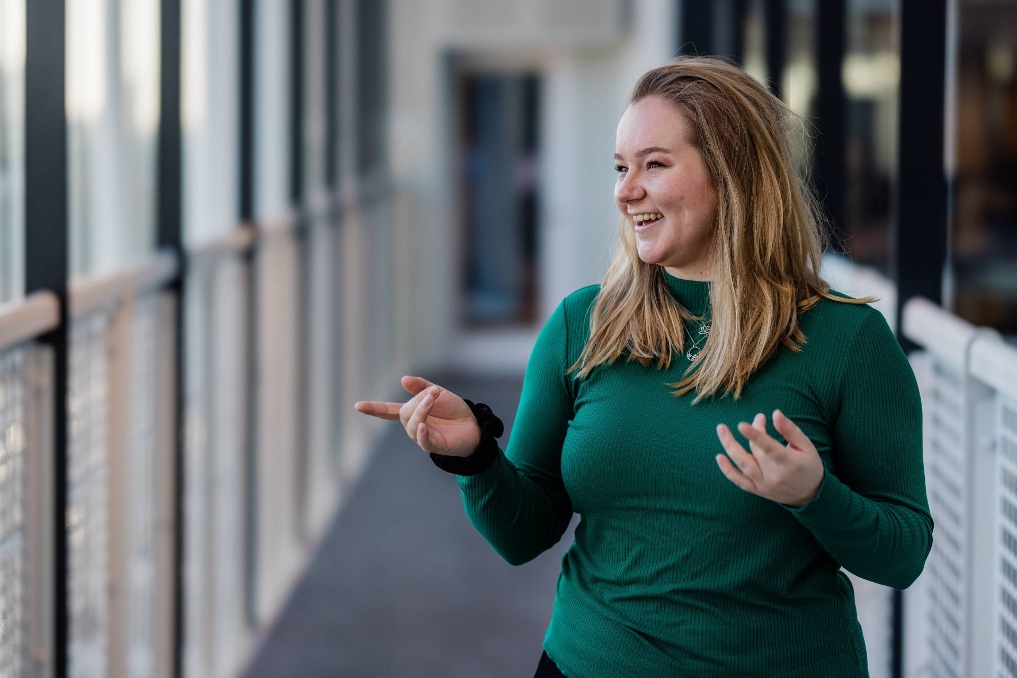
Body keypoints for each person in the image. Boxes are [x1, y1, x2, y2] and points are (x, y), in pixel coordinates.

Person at [354, 56, 932, 678]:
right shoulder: (584, 324)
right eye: (621, 168)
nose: (627, 191)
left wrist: (815, 496)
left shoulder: (847, 340)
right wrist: (474, 457)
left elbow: (901, 554)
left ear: (733, 173)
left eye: (654, 165)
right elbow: (523, 535)